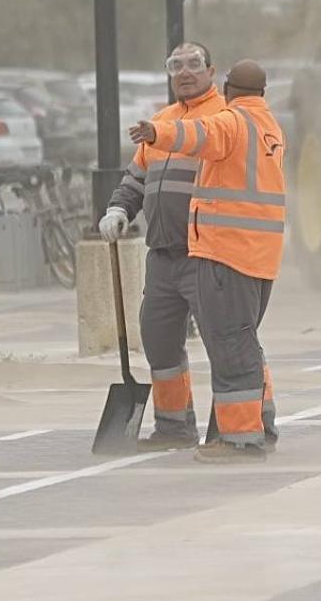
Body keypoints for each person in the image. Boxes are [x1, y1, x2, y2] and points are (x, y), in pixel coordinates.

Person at [129, 59, 286, 464]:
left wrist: (156, 132)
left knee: (231, 344)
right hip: (256, 254)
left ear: (228, 88)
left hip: (224, 251)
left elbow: (200, 133)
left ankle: (239, 439)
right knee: (240, 340)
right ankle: (257, 426)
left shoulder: (231, 122)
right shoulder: (269, 126)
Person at [98, 42, 224, 451]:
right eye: (175, 65)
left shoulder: (223, 118)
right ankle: (174, 427)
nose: (184, 72)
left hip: (207, 251)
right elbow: (136, 179)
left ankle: (248, 423)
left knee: (226, 340)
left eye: (193, 64)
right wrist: (119, 209)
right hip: (164, 254)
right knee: (158, 337)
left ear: (211, 70)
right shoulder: (160, 122)